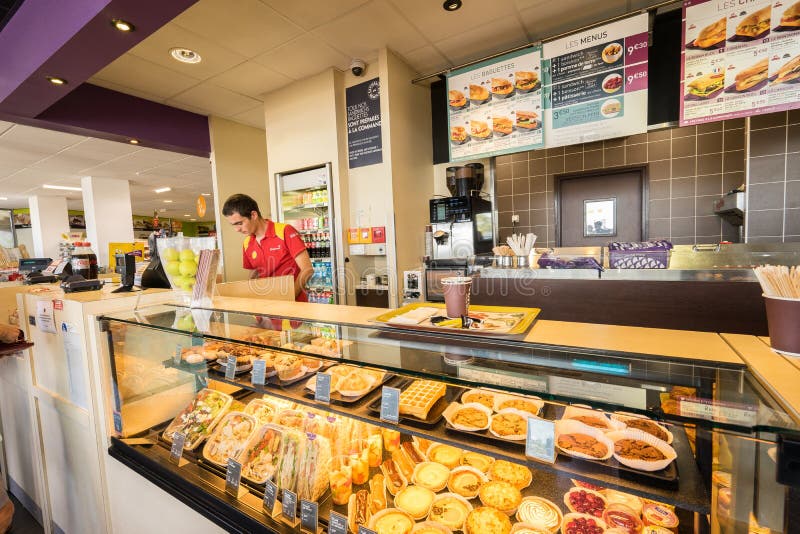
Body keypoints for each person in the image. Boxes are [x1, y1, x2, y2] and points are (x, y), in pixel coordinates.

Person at [222, 194, 313, 302]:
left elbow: (307, 270)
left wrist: (289, 298)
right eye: (233, 225)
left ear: (253, 215)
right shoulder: (247, 243)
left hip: (293, 308)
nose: (237, 229)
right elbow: (254, 275)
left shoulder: (285, 231)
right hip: (265, 309)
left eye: (239, 223)